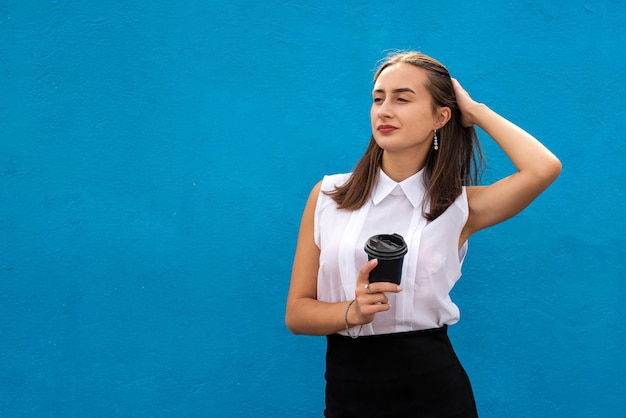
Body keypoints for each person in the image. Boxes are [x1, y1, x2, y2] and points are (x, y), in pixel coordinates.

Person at [285, 51, 561, 417]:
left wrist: (475, 111)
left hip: (435, 392)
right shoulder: (329, 196)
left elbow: (544, 168)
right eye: (378, 98)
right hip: (348, 391)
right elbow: (297, 313)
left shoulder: (460, 207)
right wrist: (351, 312)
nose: (384, 110)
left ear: (441, 116)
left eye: (402, 98)